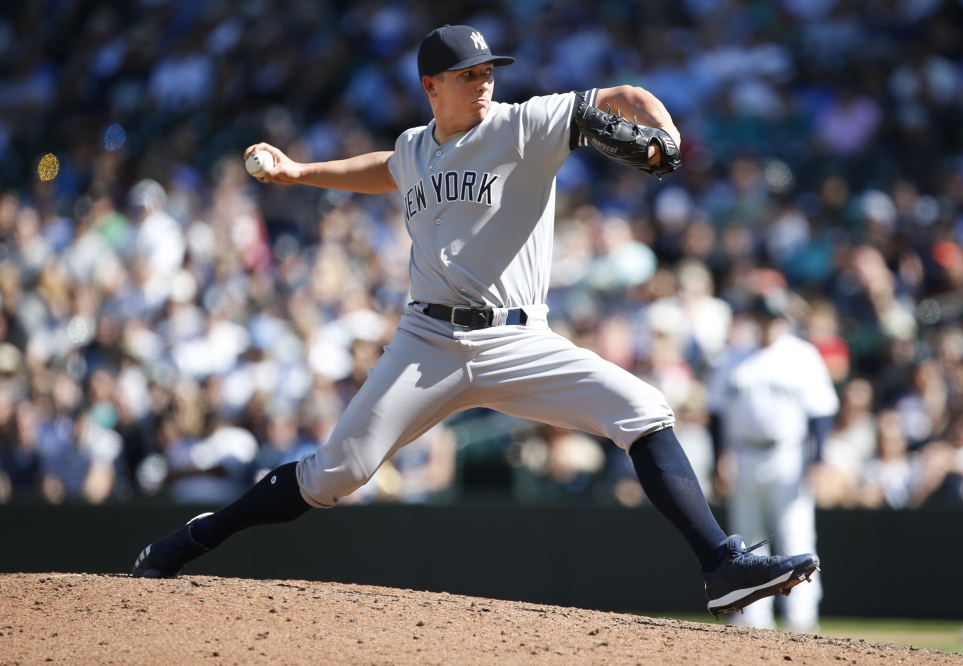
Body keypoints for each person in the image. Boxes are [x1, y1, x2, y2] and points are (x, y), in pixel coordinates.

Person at [131, 25, 819, 617]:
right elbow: (386, 169)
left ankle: (720, 566)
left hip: (519, 338)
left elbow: (623, 98)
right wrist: (302, 171)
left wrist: (664, 134)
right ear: (432, 86)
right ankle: (196, 538)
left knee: (644, 408)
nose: (485, 81)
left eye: (489, 71)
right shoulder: (416, 147)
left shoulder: (524, 124)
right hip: (427, 341)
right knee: (334, 475)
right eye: (469, 74)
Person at [708, 290, 839, 630]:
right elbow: (716, 413)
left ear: (784, 319)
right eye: (763, 318)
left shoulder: (802, 355)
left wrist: (819, 457)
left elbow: (821, 412)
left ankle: (802, 620)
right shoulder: (734, 357)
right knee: (747, 542)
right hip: (743, 455)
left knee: (796, 537)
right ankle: (752, 622)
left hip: (789, 454)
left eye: (774, 318)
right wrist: (718, 457)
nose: (768, 324)